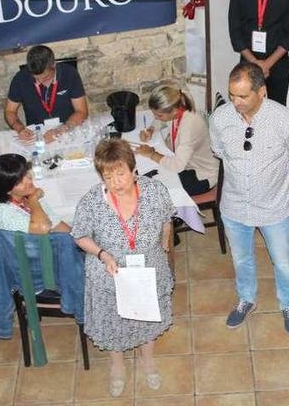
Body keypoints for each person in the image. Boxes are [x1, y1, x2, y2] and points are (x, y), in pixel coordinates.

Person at [209, 62, 289, 337]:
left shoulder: (286, 121)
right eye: (232, 95)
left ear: (262, 92)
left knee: (283, 261)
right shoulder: (220, 118)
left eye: (242, 96)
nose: (235, 102)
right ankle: (246, 298)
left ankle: (288, 304)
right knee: (241, 259)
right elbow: (220, 152)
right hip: (234, 206)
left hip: (274, 208)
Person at [71, 139, 174, 397]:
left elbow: (166, 220)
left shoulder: (155, 191)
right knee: (114, 318)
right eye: (108, 176)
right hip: (111, 272)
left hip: (149, 268)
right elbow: (80, 236)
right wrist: (102, 254)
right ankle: (117, 364)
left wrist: (163, 247)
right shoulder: (92, 201)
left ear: (133, 169)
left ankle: (147, 358)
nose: (116, 181)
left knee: (149, 314)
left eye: (121, 173)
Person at [136, 85, 218, 195]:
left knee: (158, 189)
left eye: (159, 115)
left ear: (174, 111)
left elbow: (177, 165)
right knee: (151, 174)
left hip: (201, 174)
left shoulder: (190, 126)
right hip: (186, 162)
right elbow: (163, 120)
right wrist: (151, 129)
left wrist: (152, 154)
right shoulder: (178, 106)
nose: (156, 117)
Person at [5, 45, 89, 143]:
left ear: (53, 65)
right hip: (37, 135)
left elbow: (81, 111)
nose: (40, 81)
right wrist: (19, 128)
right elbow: (10, 111)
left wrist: (60, 130)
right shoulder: (20, 78)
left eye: (45, 77)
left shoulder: (69, 73)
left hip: (68, 129)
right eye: (36, 78)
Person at [0, 154, 71, 234]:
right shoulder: (2, 212)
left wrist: (77, 240)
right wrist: (34, 201)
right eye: (19, 182)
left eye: (25, 173)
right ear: (7, 190)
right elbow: (44, 228)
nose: (28, 179)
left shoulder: (26, 196)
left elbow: (55, 223)